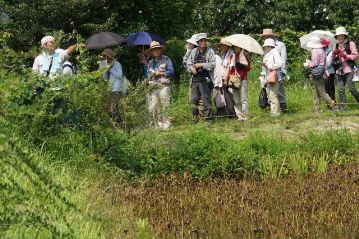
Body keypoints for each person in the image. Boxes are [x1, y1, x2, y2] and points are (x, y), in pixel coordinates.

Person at [186, 33, 216, 123]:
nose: (203, 42)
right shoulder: (193, 51)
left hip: (206, 79)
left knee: (206, 100)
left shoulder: (210, 51)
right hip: (195, 80)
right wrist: (191, 69)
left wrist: (201, 65)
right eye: (201, 41)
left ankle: (208, 120)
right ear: (198, 42)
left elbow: (213, 64)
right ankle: (194, 119)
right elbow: (188, 63)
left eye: (205, 40)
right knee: (193, 100)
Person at [145, 41, 174, 129]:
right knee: (153, 105)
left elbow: (171, 71)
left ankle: (166, 125)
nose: (156, 51)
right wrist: (151, 75)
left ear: (160, 50)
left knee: (165, 104)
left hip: (163, 85)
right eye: (154, 50)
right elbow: (147, 74)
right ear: (152, 52)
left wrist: (161, 74)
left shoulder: (166, 59)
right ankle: (156, 124)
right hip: (153, 86)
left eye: (158, 49)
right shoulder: (150, 62)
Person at [304, 36, 336, 113]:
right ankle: (317, 109)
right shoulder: (322, 50)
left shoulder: (315, 51)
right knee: (316, 92)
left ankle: (332, 103)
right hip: (323, 73)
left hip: (318, 75)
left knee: (322, 92)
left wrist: (308, 63)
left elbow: (315, 63)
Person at [332, 27, 359, 109]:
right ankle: (344, 106)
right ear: (336, 37)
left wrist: (345, 55)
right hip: (339, 70)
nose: (340, 37)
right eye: (338, 36)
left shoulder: (351, 44)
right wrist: (334, 55)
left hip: (349, 69)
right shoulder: (335, 45)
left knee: (351, 88)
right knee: (340, 89)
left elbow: (356, 56)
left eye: (341, 36)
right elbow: (333, 58)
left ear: (345, 36)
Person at [261, 29, 287, 112]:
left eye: (266, 36)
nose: (265, 37)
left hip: (276, 72)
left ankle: (280, 107)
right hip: (267, 72)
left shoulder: (280, 45)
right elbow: (266, 60)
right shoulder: (267, 49)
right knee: (270, 92)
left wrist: (281, 72)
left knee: (278, 91)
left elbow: (282, 60)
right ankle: (273, 108)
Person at [100, 48, 125, 124]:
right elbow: (105, 78)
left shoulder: (117, 64)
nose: (104, 58)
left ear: (109, 56)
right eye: (103, 56)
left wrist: (111, 69)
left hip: (117, 88)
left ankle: (118, 122)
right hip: (110, 88)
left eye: (105, 56)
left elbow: (120, 76)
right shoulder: (105, 64)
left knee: (114, 106)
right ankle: (118, 122)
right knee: (110, 107)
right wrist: (105, 70)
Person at [226, 44, 251, 121]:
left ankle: (245, 116)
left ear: (240, 47)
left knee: (243, 98)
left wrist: (241, 66)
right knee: (236, 99)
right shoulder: (231, 56)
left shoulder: (244, 55)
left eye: (237, 47)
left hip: (243, 78)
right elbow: (229, 69)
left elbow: (249, 68)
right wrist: (227, 79)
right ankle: (239, 116)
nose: (236, 48)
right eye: (234, 47)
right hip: (234, 79)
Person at [214, 38, 236, 116]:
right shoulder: (224, 54)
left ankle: (232, 113)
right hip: (224, 78)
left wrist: (226, 79)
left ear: (226, 46)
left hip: (229, 78)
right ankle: (229, 112)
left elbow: (230, 68)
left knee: (230, 95)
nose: (221, 47)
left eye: (222, 46)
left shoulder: (231, 54)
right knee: (226, 95)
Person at [261, 39, 282, 116]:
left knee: (273, 95)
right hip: (269, 75)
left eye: (265, 46)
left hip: (274, 76)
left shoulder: (275, 52)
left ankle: (275, 113)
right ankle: (275, 112)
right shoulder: (269, 53)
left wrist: (269, 66)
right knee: (270, 95)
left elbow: (279, 63)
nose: (265, 47)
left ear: (268, 46)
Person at [320, 38, 336, 103]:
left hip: (330, 72)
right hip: (324, 72)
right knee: (326, 89)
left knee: (330, 88)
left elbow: (329, 63)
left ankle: (333, 103)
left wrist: (321, 64)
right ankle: (329, 103)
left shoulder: (330, 51)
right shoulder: (322, 51)